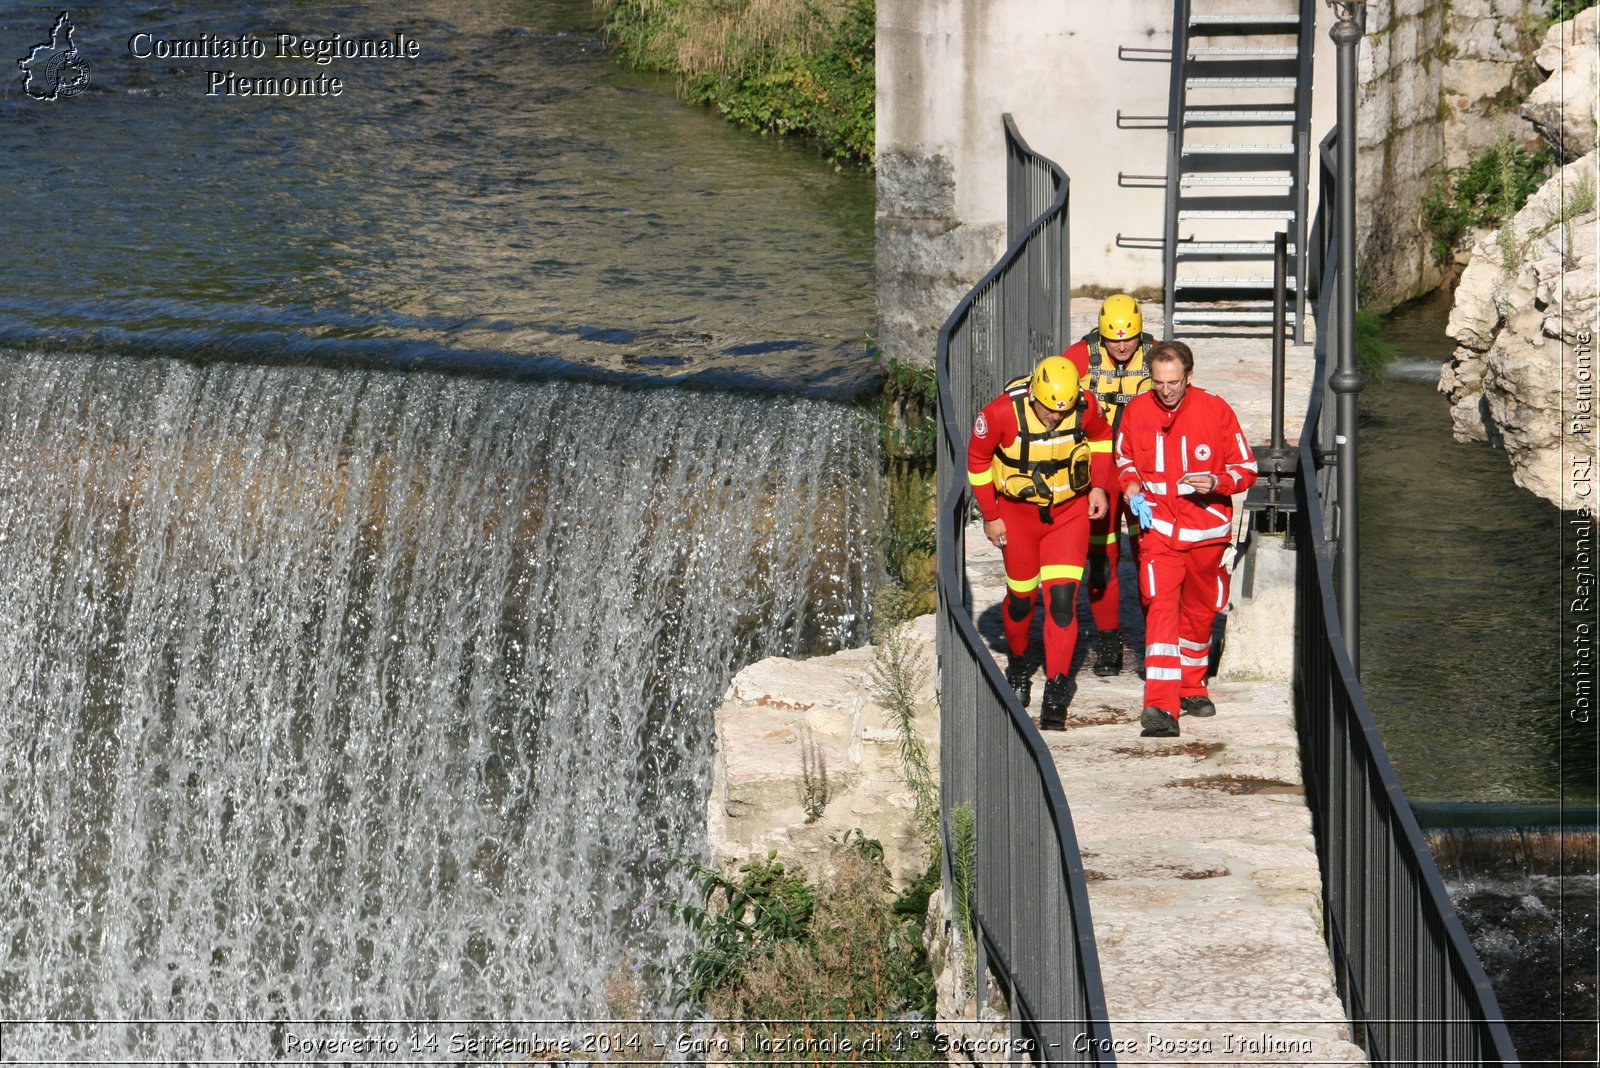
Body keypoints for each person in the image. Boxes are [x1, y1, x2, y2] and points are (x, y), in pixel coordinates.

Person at [1113, 340, 1257, 737]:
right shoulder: (1137, 411)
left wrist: (1216, 481)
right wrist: (1129, 486)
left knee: (1199, 612)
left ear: (1189, 377)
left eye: (1174, 382)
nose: (1166, 390)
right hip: (1158, 531)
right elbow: (1123, 458)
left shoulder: (1216, 410)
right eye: (1159, 382)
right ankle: (1160, 705)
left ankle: (1192, 686)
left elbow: (1246, 468)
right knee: (1159, 606)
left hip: (1207, 532)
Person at [967, 355, 1113, 729]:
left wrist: (1097, 484)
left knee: (1062, 601)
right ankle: (1018, 663)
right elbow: (978, 461)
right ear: (1034, 395)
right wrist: (991, 515)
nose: (1055, 418)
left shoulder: (1085, 405)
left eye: (1062, 412)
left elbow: (1100, 437)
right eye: (1049, 411)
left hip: (1069, 514)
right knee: (1021, 599)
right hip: (1018, 516)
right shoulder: (1000, 415)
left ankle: (1056, 686)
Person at [1062, 293, 1156, 677]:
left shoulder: (1156, 356)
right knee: (1101, 560)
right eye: (1114, 338)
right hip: (1098, 469)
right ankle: (1109, 641)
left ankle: (1157, 641)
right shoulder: (1079, 357)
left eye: (1129, 337)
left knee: (1151, 554)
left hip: (1142, 470)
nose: (1121, 345)